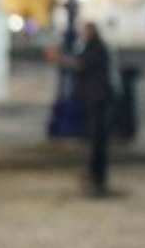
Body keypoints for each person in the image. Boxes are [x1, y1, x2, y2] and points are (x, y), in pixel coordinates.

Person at [48, 21, 119, 195]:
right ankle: (94, 177)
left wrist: (59, 58)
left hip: (98, 101)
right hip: (95, 100)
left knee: (97, 141)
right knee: (94, 140)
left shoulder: (97, 48)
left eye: (85, 32)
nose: (82, 35)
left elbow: (80, 64)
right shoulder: (93, 47)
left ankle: (97, 178)